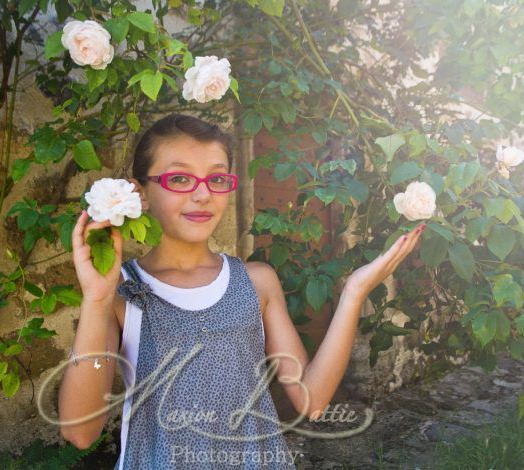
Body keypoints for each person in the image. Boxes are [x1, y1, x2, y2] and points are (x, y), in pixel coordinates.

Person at [58, 114, 425, 469]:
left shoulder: (256, 282)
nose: (202, 195)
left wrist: (354, 293)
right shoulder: (123, 293)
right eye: (181, 178)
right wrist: (97, 300)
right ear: (140, 192)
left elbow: (310, 400)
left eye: (217, 179)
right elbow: (80, 433)